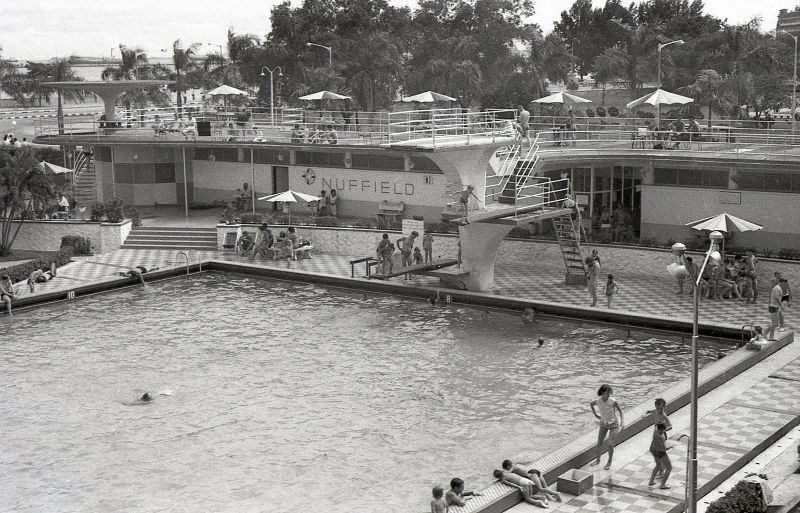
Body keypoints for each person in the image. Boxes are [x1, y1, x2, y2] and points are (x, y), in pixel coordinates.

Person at [589, 383, 624, 469]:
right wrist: (596, 415)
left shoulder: (613, 401)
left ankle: (609, 462)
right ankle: (597, 460)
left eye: (609, 393)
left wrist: (622, 423)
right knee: (599, 443)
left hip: (614, 425)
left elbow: (620, 411)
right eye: (606, 393)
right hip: (604, 424)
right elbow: (591, 404)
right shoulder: (598, 401)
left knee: (610, 445)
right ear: (602, 393)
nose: (608, 395)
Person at [648, 422, 672, 489]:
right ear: (662, 429)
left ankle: (651, 481)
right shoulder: (660, 437)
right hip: (660, 452)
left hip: (653, 450)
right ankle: (663, 484)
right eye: (664, 429)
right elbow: (664, 448)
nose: (665, 430)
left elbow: (656, 424)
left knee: (658, 465)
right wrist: (670, 446)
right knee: (669, 468)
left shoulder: (655, 431)